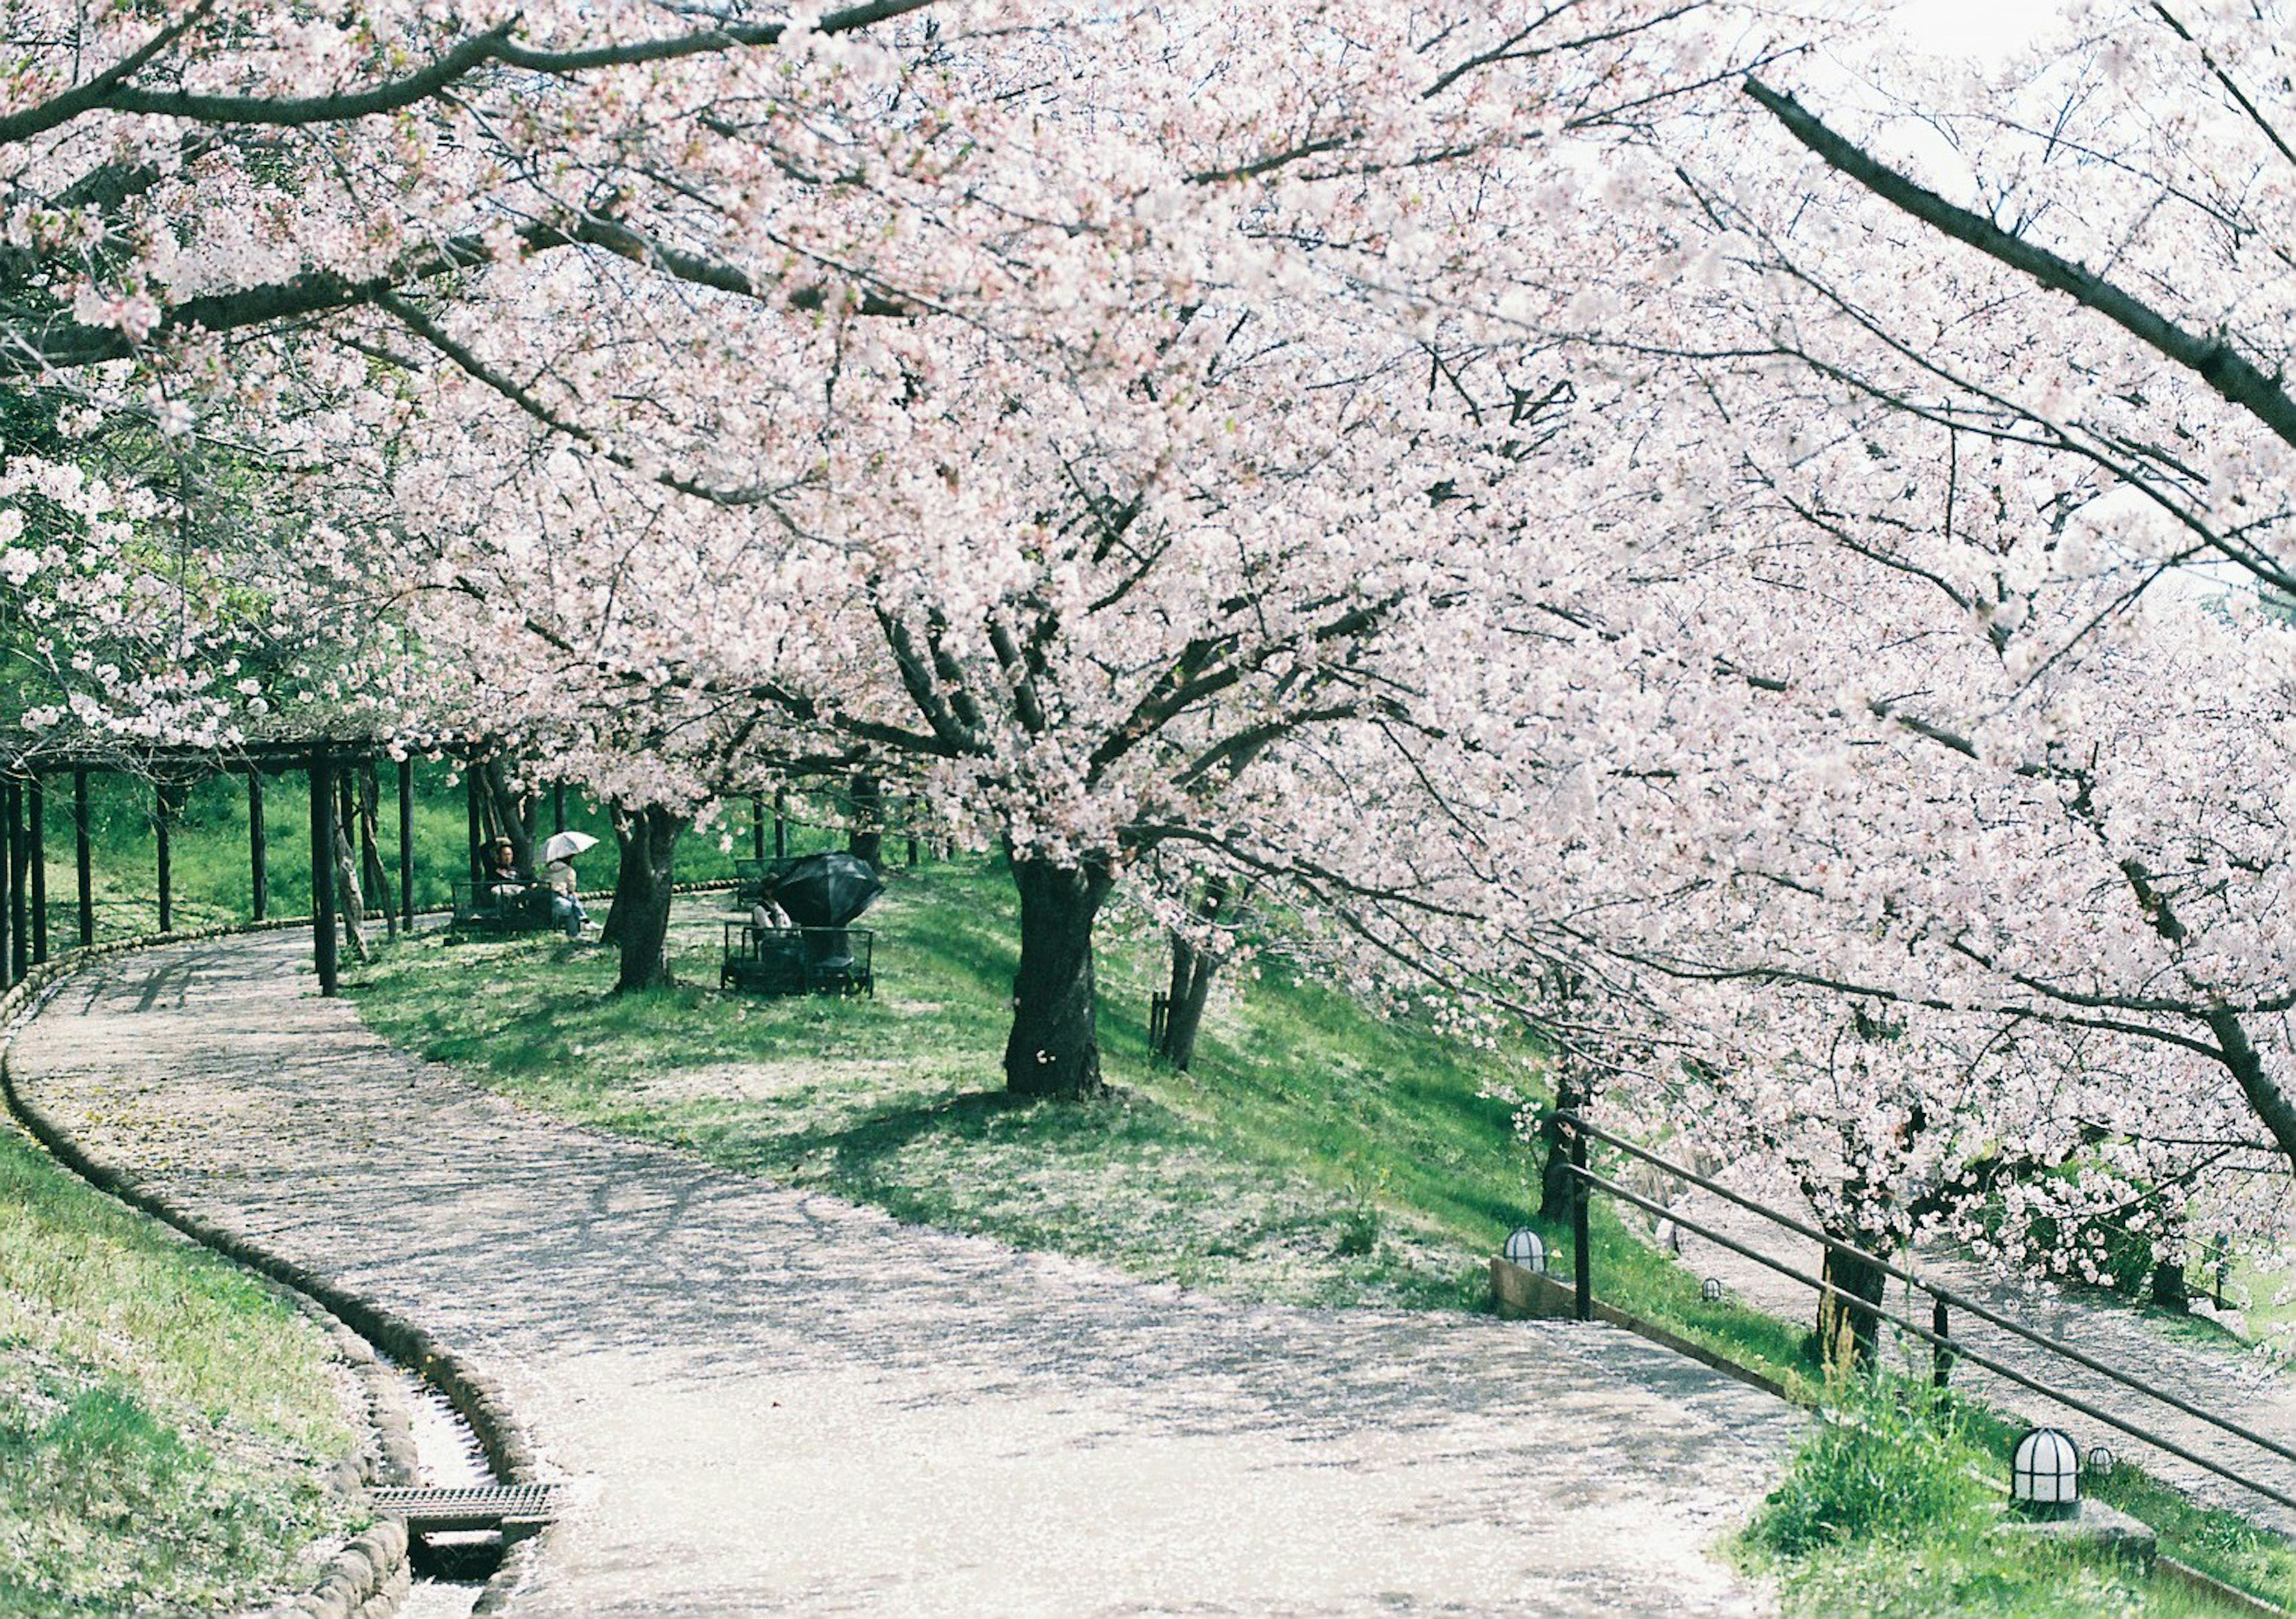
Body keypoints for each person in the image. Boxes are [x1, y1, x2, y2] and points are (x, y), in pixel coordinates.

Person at [545, 853, 589, 939]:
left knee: (572, 901)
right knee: (573, 903)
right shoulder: (569, 871)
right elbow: (572, 888)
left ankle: (584, 920)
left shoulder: (548, 869)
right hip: (560, 903)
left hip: (547, 900)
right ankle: (576, 930)